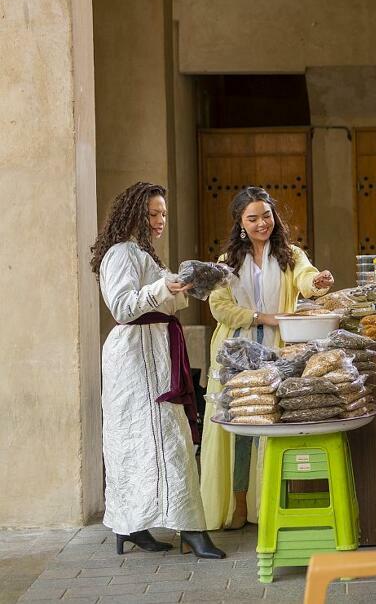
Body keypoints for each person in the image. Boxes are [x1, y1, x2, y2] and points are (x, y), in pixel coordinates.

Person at [91, 182, 225, 559]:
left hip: (155, 350)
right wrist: (163, 288)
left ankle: (133, 526)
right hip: (136, 356)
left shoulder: (142, 254)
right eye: (153, 213)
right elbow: (121, 306)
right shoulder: (120, 254)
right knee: (159, 440)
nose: (160, 220)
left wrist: (187, 284)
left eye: (163, 213)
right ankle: (189, 530)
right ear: (134, 214)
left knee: (154, 440)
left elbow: (164, 301)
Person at [200, 187, 334, 530]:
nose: (262, 223)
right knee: (238, 425)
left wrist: (318, 282)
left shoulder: (291, 255)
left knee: (271, 421)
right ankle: (237, 505)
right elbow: (220, 307)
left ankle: (268, 504)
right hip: (234, 350)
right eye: (253, 218)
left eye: (267, 215)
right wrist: (264, 317)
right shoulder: (225, 262)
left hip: (277, 350)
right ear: (241, 224)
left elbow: (307, 279)